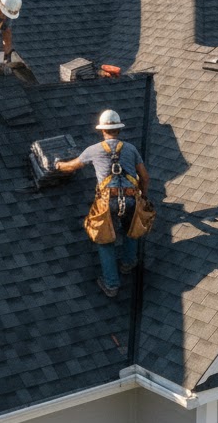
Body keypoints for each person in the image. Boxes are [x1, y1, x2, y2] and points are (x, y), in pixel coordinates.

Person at [55, 109, 150, 298]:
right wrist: (143, 198)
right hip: (131, 198)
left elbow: (72, 166)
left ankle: (112, 284)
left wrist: (57, 165)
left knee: (104, 239)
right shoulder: (130, 149)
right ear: (118, 129)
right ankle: (128, 263)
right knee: (131, 229)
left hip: (108, 201)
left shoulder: (94, 150)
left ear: (102, 130)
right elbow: (145, 177)